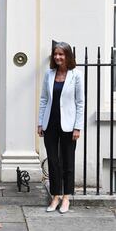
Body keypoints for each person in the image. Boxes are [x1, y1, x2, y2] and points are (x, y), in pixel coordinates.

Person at [37, 42, 84, 214]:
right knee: (53, 161)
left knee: (67, 161)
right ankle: (55, 195)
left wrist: (77, 127)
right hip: (50, 124)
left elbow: (80, 103)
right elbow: (43, 100)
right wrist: (40, 122)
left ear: (68, 56)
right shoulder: (49, 74)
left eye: (61, 54)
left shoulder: (76, 75)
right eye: (55, 54)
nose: (57, 57)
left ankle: (66, 197)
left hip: (69, 125)